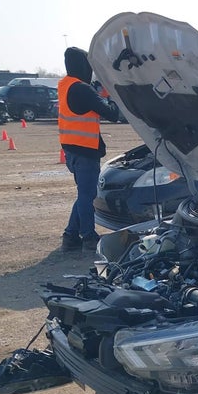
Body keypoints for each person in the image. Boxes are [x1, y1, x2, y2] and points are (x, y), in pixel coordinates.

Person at [58, 47, 121, 252]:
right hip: (84, 151)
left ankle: (70, 236)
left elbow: (86, 106)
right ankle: (88, 237)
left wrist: (98, 94)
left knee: (83, 194)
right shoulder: (83, 90)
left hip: (72, 150)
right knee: (87, 196)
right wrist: (111, 96)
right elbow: (112, 114)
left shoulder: (66, 85)